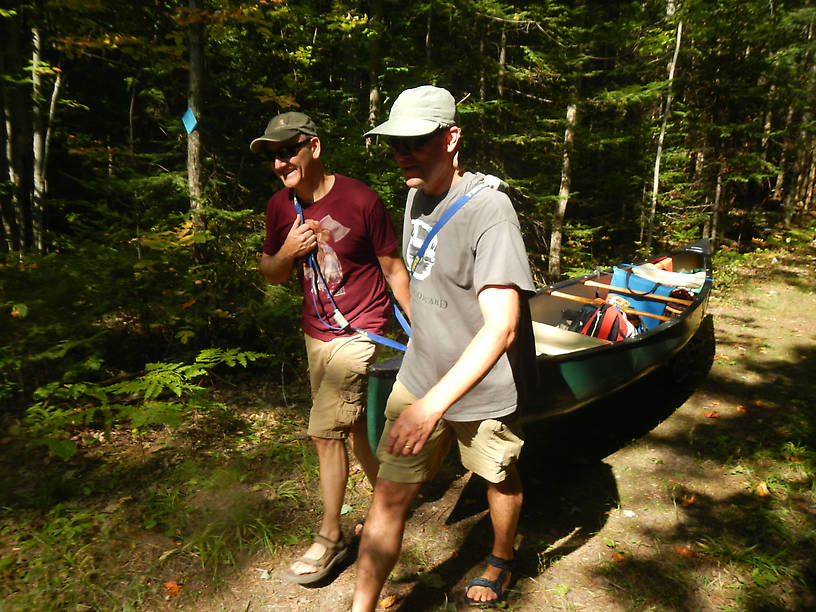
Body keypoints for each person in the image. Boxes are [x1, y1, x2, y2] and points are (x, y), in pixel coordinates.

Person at [352, 86, 536, 610]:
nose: (403, 153)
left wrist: (434, 407)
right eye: (395, 143)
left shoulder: (490, 212)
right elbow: (421, 279)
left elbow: (502, 327)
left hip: (479, 386)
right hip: (420, 374)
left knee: (497, 476)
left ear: (451, 138)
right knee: (388, 494)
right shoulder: (415, 194)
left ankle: (501, 558)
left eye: (417, 141)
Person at [251, 111, 411, 585]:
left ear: (313, 148)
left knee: (324, 430)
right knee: (353, 423)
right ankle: (392, 494)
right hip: (314, 331)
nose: (280, 163)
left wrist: (424, 332)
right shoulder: (280, 207)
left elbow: (393, 267)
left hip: (363, 328)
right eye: (274, 156)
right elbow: (272, 272)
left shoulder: (361, 199)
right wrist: (287, 253)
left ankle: (331, 536)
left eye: (288, 150)